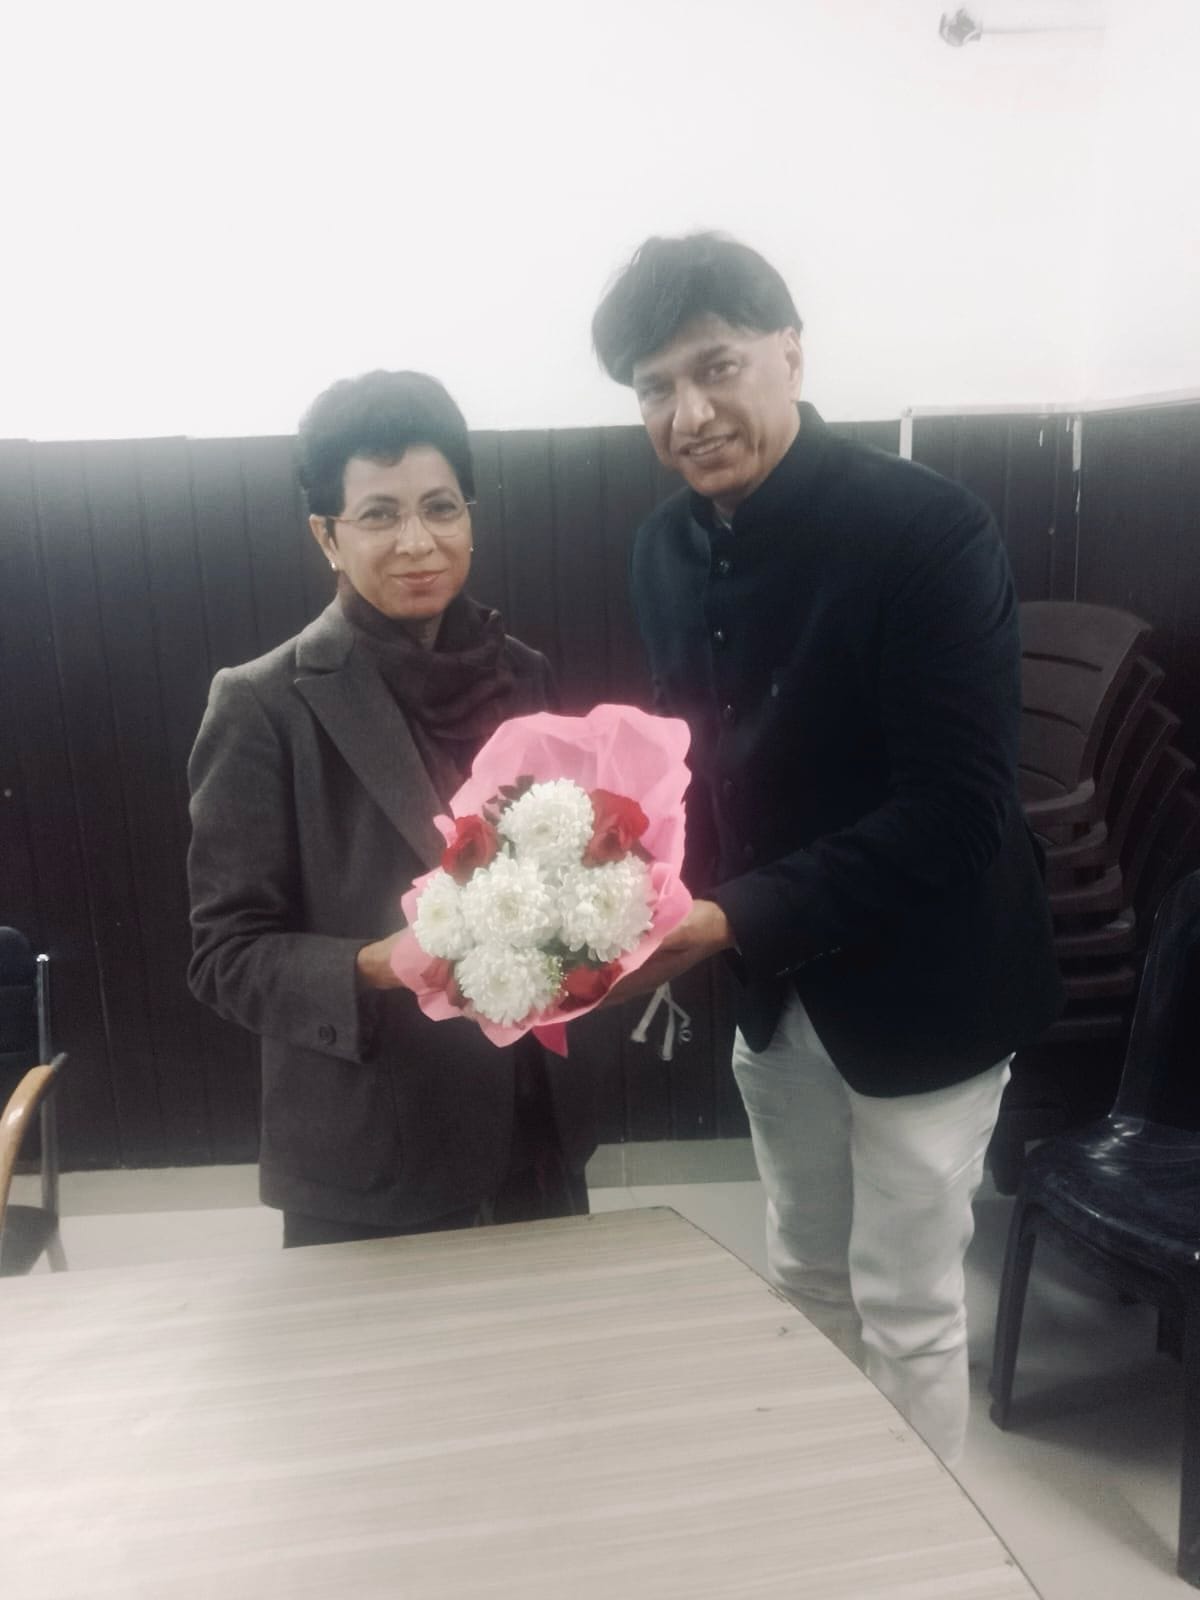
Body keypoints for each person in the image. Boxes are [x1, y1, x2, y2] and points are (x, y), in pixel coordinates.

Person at [591, 234, 1063, 1464]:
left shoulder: (927, 530)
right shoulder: (660, 548)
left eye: (718, 366)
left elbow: (958, 811)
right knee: (803, 1276)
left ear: (791, 353)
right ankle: (829, 1521)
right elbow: (690, 771)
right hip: (772, 991)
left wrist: (726, 918)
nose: (690, 415)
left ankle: (922, 1556)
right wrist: (624, 892)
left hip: (932, 987)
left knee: (908, 1306)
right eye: (654, 388)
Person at [187, 370, 597, 1248]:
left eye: (440, 508)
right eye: (379, 515)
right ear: (326, 536)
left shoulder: (523, 674)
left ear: (470, 517)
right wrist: (380, 964)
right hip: (372, 1161)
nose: (418, 542)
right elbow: (225, 956)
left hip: (536, 1134)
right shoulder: (262, 704)